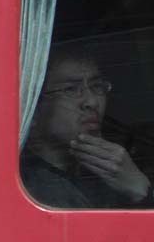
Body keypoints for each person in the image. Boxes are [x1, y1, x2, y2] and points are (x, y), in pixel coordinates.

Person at [21, 48, 152, 208]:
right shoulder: (29, 188)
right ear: (34, 107)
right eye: (70, 89)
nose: (92, 102)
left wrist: (139, 188)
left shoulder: (109, 177)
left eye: (97, 86)